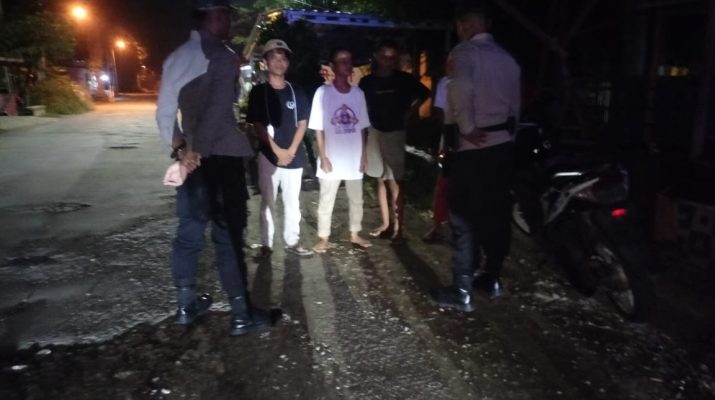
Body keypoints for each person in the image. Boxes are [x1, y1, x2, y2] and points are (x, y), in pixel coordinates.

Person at [156, 0, 277, 336]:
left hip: (191, 161)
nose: (229, 24)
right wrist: (195, 153)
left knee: (189, 234)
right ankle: (241, 315)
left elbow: (164, 114)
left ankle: (185, 306)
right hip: (220, 159)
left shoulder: (176, 57)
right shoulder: (223, 57)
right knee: (227, 237)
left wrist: (182, 151)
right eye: (227, 17)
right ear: (216, 17)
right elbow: (215, 113)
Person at [430, 5, 521, 311]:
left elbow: (461, 88)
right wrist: (509, 136)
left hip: (472, 150)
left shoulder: (465, 53)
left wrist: (466, 128)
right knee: (496, 214)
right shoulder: (507, 58)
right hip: (502, 145)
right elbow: (516, 105)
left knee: (463, 217)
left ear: (464, 25)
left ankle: (462, 291)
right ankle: (491, 279)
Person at [246, 39, 313, 258]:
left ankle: (292, 241)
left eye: (283, 58)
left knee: (293, 202)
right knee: (268, 202)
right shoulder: (258, 92)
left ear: (288, 63)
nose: (279, 62)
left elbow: (302, 123)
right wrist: (276, 151)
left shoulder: (296, 91)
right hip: (268, 156)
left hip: (294, 156)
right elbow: (257, 125)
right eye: (273, 58)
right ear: (265, 62)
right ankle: (266, 244)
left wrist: (290, 150)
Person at [359, 40, 430, 245]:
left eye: (392, 57)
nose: (388, 60)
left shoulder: (404, 79)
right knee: (380, 178)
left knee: (395, 180)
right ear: (376, 56)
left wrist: (409, 113)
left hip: (395, 132)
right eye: (384, 56)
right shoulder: (367, 82)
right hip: (374, 131)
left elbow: (424, 94)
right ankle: (386, 224)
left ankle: (399, 230)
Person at [309, 47, 372, 254]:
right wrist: (323, 156)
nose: (347, 65)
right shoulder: (323, 93)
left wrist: (363, 155)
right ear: (333, 66)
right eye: (342, 61)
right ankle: (323, 237)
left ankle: (355, 233)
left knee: (357, 199)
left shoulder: (358, 94)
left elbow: (362, 127)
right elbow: (318, 127)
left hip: (354, 156)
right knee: (327, 199)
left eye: (349, 61)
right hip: (332, 157)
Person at [422, 57, 457, 243]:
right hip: (452, 138)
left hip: (474, 141)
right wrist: (450, 137)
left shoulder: (479, 81)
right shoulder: (446, 82)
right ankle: (438, 225)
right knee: (444, 182)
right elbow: (441, 113)